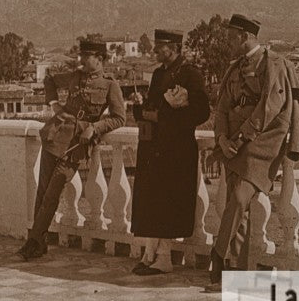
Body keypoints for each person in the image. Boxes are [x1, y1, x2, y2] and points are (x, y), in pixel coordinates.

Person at [203, 14, 299, 293]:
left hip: (261, 145)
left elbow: (271, 106)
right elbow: (222, 107)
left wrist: (240, 137)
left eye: (231, 35)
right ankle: (241, 274)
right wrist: (222, 139)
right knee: (240, 210)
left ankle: (219, 257)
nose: (227, 40)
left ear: (244, 36)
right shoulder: (233, 69)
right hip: (234, 146)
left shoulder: (274, 64)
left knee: (237, 199)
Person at [17, 37, 127, 261]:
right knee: (43, 191)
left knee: (53, 191)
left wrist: (95, 127)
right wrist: (54, 104)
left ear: (100, 59)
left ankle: (33, 241)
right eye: (81, 56)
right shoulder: (75, 76)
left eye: (87, 57)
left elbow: (119, 118)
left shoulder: (109, 84)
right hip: (55, 135)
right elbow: (49, 80)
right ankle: (38, 243)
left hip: (77, 144)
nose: (82, 61)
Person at [129, 29, 210, 275]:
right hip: (155, 147)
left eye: (160, 46)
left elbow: (201, 112)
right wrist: (142, 107)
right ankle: (151, 253)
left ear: (173, 47)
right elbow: (154, 107)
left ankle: (163, 258)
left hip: (176, 149)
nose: (155, 50)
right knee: (153, 202)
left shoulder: (190, 74)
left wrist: (166, 116)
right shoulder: (158, 74)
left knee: (167, 202)